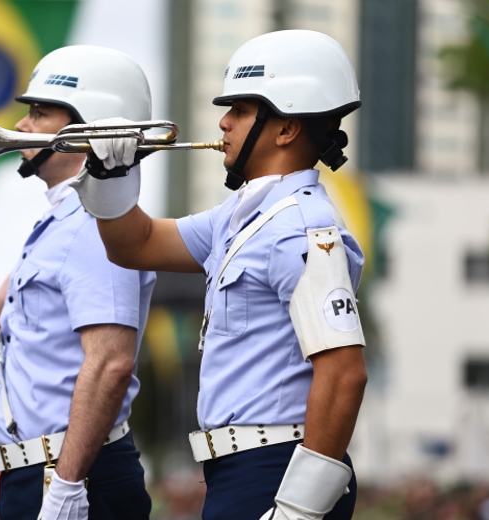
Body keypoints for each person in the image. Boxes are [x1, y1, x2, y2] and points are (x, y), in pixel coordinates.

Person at [69, 30, 369, 520]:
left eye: (241, 109)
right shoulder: (239, 217)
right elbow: (134, 244)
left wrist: (299, 507)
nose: (223, 122)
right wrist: (111, 175)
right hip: (243, 468)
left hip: (277, 470)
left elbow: (344, 374)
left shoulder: (302, 228)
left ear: (286, 128)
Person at [0, 45, 156, 520]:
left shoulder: (95, 223)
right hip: (45, 472)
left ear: (88, 124)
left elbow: (111, 363)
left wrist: (68, 486)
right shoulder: (63, 218)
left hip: (72, 473)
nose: (23, 126)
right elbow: (6, 298)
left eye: (38, 113)